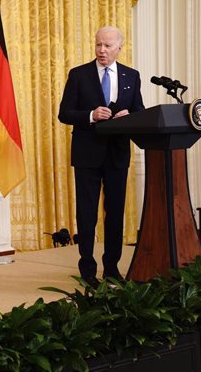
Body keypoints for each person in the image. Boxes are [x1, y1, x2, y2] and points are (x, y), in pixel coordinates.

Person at [58, 26, 144, 288]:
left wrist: (129, 117)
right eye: (98, 45)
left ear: (119, 47)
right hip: (87, 153)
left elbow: (139, 110)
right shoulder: (79, 75)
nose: (102, 50)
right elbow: (64, 113)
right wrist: (90, 115)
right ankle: (87, 268)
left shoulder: (132, 75)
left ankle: (111, 268)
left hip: (117, 154)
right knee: (87, 214)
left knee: (115, 213)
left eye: (107, 46)